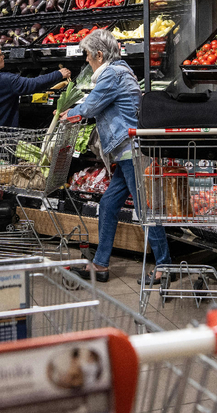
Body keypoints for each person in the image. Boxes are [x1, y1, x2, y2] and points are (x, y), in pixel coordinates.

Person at [61, 30, 171, 283]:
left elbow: (92, 106)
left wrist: (69, 113)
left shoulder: (112, 74)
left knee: (145, 210)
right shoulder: (121, 70)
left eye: (88, 55)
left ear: (99, 54)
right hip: (126, 152)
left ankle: (165, 265)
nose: (86, 60)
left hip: (131, 150)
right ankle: (100, 265)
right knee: (109, 205)